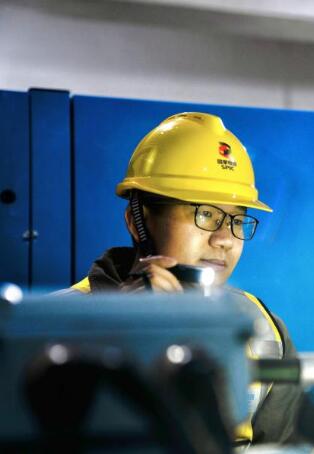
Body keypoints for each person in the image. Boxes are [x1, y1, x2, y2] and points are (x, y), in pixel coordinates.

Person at [62, 112, 301, 445]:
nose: (224, 239)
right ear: (137, 222)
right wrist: (120, 331)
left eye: (237, 220)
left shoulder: (264, 329)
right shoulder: (56, 325)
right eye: (205, 214)